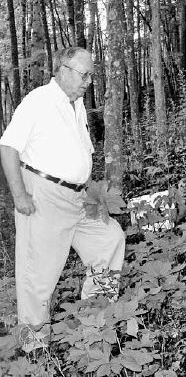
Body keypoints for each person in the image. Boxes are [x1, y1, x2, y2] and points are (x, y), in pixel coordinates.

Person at [0, 47, 125, 352]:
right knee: (38, 274)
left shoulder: (77, 104)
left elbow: (79, 154)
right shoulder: (38, 101)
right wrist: (20, 195)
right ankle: (34, 348)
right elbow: (7, 146)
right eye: (84, 74)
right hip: (44, 195)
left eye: (91, 74)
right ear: (63, 70)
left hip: (78, 198)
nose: (89, 81)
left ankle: (95, 321)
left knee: (109, 239)